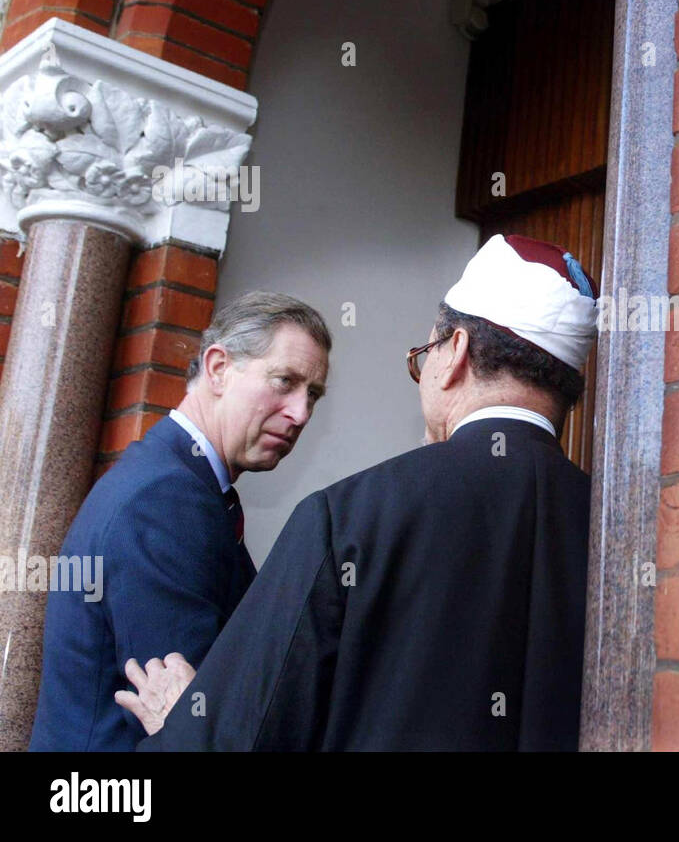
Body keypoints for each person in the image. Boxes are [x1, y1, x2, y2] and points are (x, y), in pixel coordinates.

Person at [118, 234, 598, 750]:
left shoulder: (347, 516)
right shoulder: (622, 532)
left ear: (454, 350)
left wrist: (183, 724)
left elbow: (245, 737)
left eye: (424, 355)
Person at [28, 292, 331, 751]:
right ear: (217, 368)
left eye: (312, 394)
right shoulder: (164, 500)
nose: (300, 413)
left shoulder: (180, 483)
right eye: (283, 381)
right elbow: (191, 720)